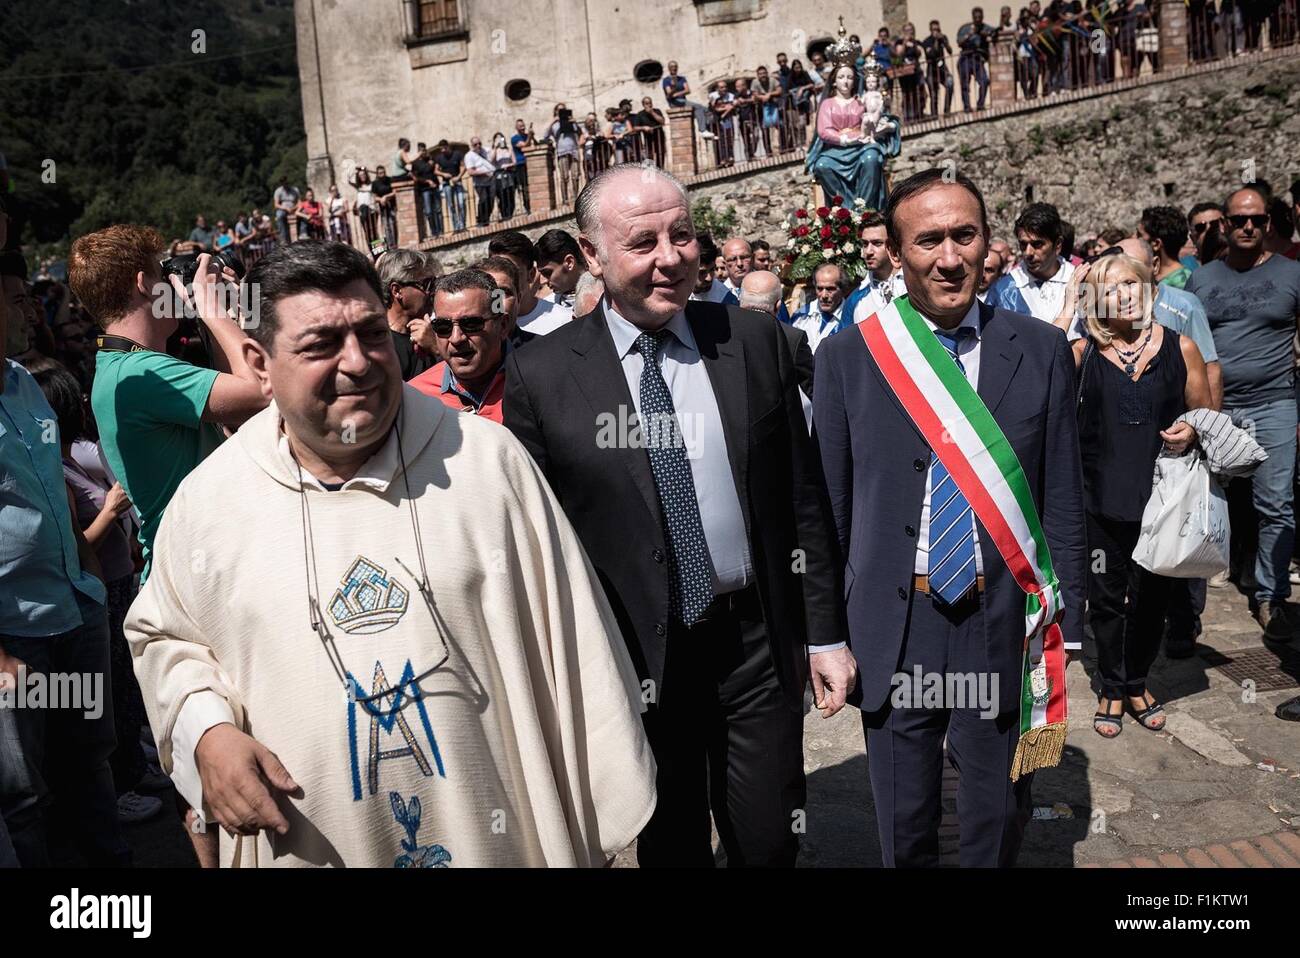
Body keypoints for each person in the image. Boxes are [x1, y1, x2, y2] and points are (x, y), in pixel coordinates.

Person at [125, 240, 656, 867]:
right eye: (322, 344)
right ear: (259, 364)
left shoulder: (486, 464)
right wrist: (207, 732)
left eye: (373, 334)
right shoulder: (211, 503)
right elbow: (165, 639)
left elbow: (576, 646)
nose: (358, 362)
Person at [504, 164, 851, 867]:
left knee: (769, 841)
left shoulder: (753, 341)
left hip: (754, 644)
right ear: (592, 254)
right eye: (643, 242)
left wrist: (825, 636)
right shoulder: (542, 375)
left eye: (682, 235)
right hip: (638, 657)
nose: (670, 258)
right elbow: (539, 543)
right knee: (671, 846)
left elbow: (802, 500)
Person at [812, 168, 1086, 867]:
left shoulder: (1041, 349)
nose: (949, 257)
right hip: (897, 619)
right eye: (928, 240)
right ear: (896, 253)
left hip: (1004, 615)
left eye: (965, 236)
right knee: (903, 815)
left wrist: (1069, 622)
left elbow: (1062, 495)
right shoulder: (849, 358)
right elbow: (829, 509)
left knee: (997, 813)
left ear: (989, 242)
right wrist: (825, 636)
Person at [1068, 252, 1210, 737]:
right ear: (1094, 300)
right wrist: (1067, 307)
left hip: (1162, 503)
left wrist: (1192, 430)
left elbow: (1205, 415)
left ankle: (1136, 682)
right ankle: (1110, 685)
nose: (1123, 295)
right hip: (1100, 501)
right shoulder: (1083, 354)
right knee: (1106, 600)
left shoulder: (1181, 347)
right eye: (1109, 288)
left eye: (1131, 283)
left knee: (1152, 599)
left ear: (1148, 288)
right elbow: (1042, 387)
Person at [29, 361, 164, 825]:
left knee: (123, 683)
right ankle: (121, 784)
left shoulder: (74, 458)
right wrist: (110, 511)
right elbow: (74, 543)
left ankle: (131, 761)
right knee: (105, 693)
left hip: (116, 582)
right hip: (98, 590)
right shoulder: (54, 472)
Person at [1186, 186, 1300, 638]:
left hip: (1275, 402)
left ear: (1268, 222)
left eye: (1257, 219)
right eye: (1238, 220)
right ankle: (1188, 606)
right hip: (1216, 406)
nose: (1248, 227)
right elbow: (1186, 344)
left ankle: (1271, 596)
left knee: (1276, 505)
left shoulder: (1292, 273)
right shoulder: (1203, 280)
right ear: (1225, 224)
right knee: (1200, 502)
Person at [408, 269, 510, 423]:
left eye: (471, 324)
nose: (456, 338)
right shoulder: (415, 397)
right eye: (443, 326)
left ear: (502, 326)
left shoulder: (537, 381)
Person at [807, 57, 900, 212]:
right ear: (834, 81)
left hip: (862, 146)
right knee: (822, 166)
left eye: (849, 77)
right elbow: (824, 131)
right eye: (841, 77)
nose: (845, 81)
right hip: (835, 150)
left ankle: (866, 210)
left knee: (871, 158)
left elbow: (877, 118)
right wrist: (845, 139)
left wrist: (887, 125)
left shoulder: (861, 101)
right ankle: (846, 211)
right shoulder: (827, 104)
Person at [987, 202, 1077, 322]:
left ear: (1058, 245)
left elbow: (1100, 329)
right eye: (1023, 244)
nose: (1028, 252)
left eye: (1037, 244)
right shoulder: (1004, 290)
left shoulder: (1083, 281)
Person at [739, 269, 815, 406]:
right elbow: (814, 390)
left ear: (741, 301)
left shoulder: (724, 333)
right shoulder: (792, 338)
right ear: (778, 305)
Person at [489, 230, 573, 336]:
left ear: (531, 274)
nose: (501, 279)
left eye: (511, 271)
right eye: (495, 270)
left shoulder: (563, 321)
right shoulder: (483, 324)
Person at [378, 248, 438, 380]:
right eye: (427, 284)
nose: (433, 291)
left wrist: (436, 348)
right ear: (397, 291)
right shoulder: (380, 343)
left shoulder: (436, 332)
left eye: (434, 283)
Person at [845, 210, 902, 322]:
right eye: (865, 244)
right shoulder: (855, 300)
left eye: (877, 243)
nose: (868, 251)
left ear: (893, 245)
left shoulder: (913, 286)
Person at [1140, 205, 1193, 288]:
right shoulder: (1151, 279)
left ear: (1156, 244)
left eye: (1139, 235)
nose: (1134, 239)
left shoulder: (1182, 284)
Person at [535, 229, 585, 307]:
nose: (542, 281)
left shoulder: (603, 294)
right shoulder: (549, 307)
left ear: (569, 262)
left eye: (547, 273)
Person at [957, 6, 994, 111]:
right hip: (965, 58)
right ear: (973, 17)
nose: (978, 19)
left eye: (979, 17)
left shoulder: (985, 28)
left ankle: (980, 104)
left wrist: (986, 35)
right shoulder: (965, 28)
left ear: (982, 17)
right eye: (976, 17)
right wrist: (970, 34)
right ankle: (967, 107)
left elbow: (995, 33)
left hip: (978, 59)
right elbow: (959, 42)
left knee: (985, 81)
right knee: (965, 84)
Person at [688, 235, 740, 306]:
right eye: (702, 273)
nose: (709, 278)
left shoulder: (727, 300)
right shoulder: (675, 296)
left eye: (712, 269)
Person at [546, 106, 582, 205]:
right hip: (562, 152)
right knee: (564, 177)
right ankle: (565, 199)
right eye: (559, 110)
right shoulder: (555, 125)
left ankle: (576, 197)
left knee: (575, 175)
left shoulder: (571, 122)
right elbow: (545, 135)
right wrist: (553, 122)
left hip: (573, 151)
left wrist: (575, 122)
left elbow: (580, 132)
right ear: (556, 112)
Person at [923, 19, 955, 115]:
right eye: (934, 30)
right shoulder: (927, 41)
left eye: (938, 29)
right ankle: (934, 115)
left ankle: (947, 110)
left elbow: (950, 51)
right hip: (931, 70)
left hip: (942, 69)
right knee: (934, 94)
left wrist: (944, 42)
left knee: (950, 83)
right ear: (930, 30)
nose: (936, 31)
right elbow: (932, 54)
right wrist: (936, 40)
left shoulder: (943, 38)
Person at [433, 141, 467, 233]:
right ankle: (456, 228)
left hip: (458, 182)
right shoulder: (439, 157)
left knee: (461, 203)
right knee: (451, 206)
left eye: (444, 148)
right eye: (441, 149)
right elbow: (435, 171)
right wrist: (443, 174)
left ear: (448, 146)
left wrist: (458, 177)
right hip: (446, 184)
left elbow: (464, 166)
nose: (443, 150)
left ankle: (463, 226)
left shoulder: (457, 154)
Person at [410, 149, 442, 239]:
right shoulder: (415, 164)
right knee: (428, 212)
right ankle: (434, 232)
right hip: (425, 190)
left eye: (425, 150)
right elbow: (415, 178)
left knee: (438, 210)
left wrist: (432, 162)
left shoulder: (431, 159)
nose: (424, 152)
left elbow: (436, 170)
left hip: (435, 187)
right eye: (422, 151)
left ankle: (440, 231)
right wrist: (428, 181)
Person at [465, 137, 497, 227]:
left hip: (491, 180)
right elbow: (470, 171)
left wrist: (495, 148)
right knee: (484, 199)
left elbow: (492, 158)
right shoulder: (469, 156)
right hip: (480, 183)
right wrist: (483, 173)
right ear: (472, 146)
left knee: (491, 200)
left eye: (480, 143)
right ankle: (481, 221)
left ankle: (486, 220)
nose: (478, 146)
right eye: (475, 144)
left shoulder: (485, 150)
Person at [509, 118, 534, 215]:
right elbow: (525, 145)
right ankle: (527, 207)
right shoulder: (514, 138)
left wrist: (531, 136)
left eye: (523, 125)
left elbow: (534, 145)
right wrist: (530, 136)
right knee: (525, 187)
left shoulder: (527, 136)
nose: (523, 127)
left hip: (530, 163)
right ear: (516, 128)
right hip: (521, 165)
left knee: (531, 186)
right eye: (520, 126)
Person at [371, 166, 398, 248]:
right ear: (377, 174)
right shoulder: (375, 183)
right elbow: (374, 197)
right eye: (380, 173)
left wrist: (386, 197)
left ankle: (395, 244)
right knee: (386, 226)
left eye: (383, 172)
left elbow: (394, 192)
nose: (382, 174)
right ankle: (390, 245)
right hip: (382, 208)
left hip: (391, 206)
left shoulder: (390, 180)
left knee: (392, 224)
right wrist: (381, 199)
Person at [273, 179, 300, 244]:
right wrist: (285, 208)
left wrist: (294, 208)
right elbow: (276, 205)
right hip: (283, 208)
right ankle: (283, 238)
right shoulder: (278, 191)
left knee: (304, 213)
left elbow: (299, 202)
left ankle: (303, 233)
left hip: (294, 207)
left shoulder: (295, 190)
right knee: (279, 215)